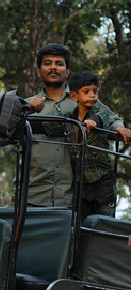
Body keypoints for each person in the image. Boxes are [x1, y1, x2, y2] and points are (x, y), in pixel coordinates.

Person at [27, 43, 130, 208]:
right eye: (48, 63)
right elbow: (8, 131)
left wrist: (119, 129)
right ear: (39, 71)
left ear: (67, 72)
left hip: (72, 196)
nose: (53, 67)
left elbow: (111, 119)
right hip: (33, 195)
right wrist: (26, 111)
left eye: (59, 63)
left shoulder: (84, 98)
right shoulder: (28, 105)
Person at [38, 71, 125, 218]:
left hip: (102, 181)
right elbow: (47, 128)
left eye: (95, 91)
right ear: (74, 96)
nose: (92, 95)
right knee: (80, 222)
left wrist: (93, 122)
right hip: (81, 183)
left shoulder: (100, 111)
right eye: (87, 92)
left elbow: (100, 118)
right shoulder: (69, 120)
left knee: (105, 221)